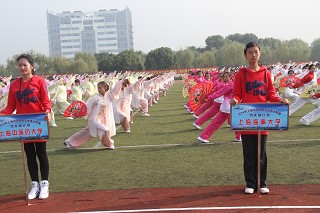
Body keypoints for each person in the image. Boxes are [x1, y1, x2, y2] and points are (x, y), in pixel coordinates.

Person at [230, 42, 289, 194]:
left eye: (256, 52)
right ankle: (250, 183)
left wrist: (280, 100)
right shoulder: (240, 74)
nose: (253, 55)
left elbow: (271, 94)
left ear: (260, 53)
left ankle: (262, 183)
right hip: (246, 118)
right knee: (248, 153)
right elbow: (237, 93)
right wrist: (235, 100)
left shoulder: (266, 73)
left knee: (261, 152)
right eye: (250, 52)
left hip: (262, 118)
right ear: (245, 54)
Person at [1, 54, 51, 199]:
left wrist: (47, 112)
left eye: (25, 65)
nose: (22, 68)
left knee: (41, 154)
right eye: (20, 65)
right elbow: (11, 106)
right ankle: (34, 184)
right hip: (23, 125)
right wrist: (2, 116)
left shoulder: (39, 81)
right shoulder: (14, 85)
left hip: (39, 122)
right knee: (29, 155)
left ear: (32, 66)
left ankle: (45, 184)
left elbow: (45, 101)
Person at [64, 80, 123, 150]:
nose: (99, 89)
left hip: (103, 119)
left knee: (87, 133)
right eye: (98, 88)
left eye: (100, 88)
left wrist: (121, 82)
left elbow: (115, 91)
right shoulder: (95, 98)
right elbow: (87, 107)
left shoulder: (109, 97)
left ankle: (69, 142)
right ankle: (109, 144)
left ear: (105, 88)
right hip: (94, 119)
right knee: (105, 130)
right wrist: (78, 113)